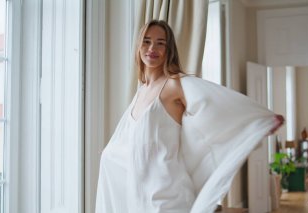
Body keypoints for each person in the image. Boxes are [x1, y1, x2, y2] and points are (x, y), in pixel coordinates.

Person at [95, 20, 284, 213]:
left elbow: (217, 103)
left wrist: (260, 121)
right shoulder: (141, 92)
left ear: (169, 49)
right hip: (140, 198)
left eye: (161, 43)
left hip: (168, 198)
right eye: (147, 41)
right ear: (139, 46)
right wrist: (111, 154)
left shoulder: (174, 84)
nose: (152, 48)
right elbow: (132, 140)